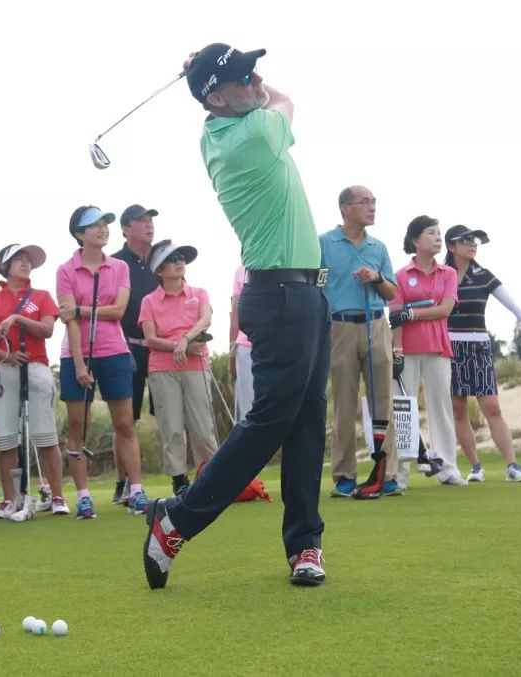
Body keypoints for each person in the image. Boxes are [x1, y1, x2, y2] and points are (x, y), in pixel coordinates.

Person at [143, 44, 331, 589]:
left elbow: (255, 92)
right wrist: (230, 79)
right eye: (243, 76)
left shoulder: (216, 129)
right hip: (281, 295)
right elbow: (285, 98)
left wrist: (219, 72)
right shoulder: (252, 135)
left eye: (252, 71)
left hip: (305, 293)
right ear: (217, 98)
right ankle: (177, 520)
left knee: (307, 420)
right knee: (271, 420)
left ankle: (305, 544)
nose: (256, 79)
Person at [57, 206, 148, 519]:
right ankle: (83, 497)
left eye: (104, 224)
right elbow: (68, 320)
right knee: (77, 427)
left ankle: (136, 490)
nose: (102, 229)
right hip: (75, 355)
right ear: (79, 234)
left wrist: (80, 310)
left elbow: (118, 311)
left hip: (114, 350)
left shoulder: (119, 267)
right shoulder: (66, 270)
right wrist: (80, 365)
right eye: (94, 225)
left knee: (124, 424)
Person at [444, 225, 521, 483]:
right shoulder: (441, 274)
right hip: (449, 348)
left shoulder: (483, 275)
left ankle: (512, 466)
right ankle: (475, 467)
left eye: (475, 240)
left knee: (492, 407)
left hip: (479, 347)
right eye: (466, 240)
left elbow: (511, 304)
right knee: (458, 410)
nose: (473, 244)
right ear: (451, 246)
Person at [319, 185, 400, 499]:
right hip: (340, 328)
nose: (372, 207)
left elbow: (392, 293)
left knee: (383, 403)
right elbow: (316, 286)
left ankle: (386, 474)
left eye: (373, 201)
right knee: (344, 404)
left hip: (376, 325)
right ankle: (344, 476)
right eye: (365, 202)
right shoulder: (324, 244)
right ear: (345, 208)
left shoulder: (378, 247)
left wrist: (377, 278)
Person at [0, 243, 69, 517]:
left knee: (46, 436)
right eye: (19, 259)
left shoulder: (41, 296)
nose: (26, 263)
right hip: (2, 370)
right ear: (5, 266)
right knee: (6, 439)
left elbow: (48, 330)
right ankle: (10, 499)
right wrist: (6, 356)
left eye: (28, 259)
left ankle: (57, 496)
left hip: (36, 366)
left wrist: (17, 318)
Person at [389, 216, 467, 488]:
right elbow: (395, 316)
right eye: (431, 233)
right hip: (407, 350)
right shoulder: (400, 276)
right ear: (415, 240)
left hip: (437, 348)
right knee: (403, 410)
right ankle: (399, 474)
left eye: (438, 233)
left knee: (441, 408)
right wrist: (397, 351)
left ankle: (448, 468)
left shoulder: (448, 273)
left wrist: (412, 313)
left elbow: (445, 309)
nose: (437, 238)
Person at [139, 240, 217, 495]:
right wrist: (178, 346)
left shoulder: (199, 293)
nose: (179, 262)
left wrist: (185, 340)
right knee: (171, 427)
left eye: (181, 257)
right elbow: (150, 339)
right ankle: (180, 482)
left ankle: (211, 478)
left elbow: (205, 319)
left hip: (196, 364)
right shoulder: (149, 301)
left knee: (203, 427)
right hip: (163, 369)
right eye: (172, 260)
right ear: (159, 270)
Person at [110, 203, 160, 506]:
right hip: (125, 346)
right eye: (141, 221)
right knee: (125, 420)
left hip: (160, 348)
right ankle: (124, 482)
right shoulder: (115, 263)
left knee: (169, 415)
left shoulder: (162, 259)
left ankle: (181, 479)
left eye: (150, 220)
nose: (149, 225)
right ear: (126, 228)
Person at [229, 263, 254, 422]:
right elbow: (235, 318)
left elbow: (235, 317)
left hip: (253, 348)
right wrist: (232, 358)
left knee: (248, 409)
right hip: (246, 348)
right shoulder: (241, 270)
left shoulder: (241, 270)